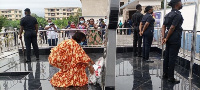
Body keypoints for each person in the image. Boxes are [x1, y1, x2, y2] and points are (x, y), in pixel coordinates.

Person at [162, 0, 183, 83]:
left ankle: (165, 74)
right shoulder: (177, 14)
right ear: (177, 4)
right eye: (180, 2)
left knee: (167, 56)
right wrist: (166, 38)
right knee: (172, 58)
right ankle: (171, 77)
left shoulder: (168, 14)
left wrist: (164, 37)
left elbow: (163, 26)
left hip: (168, 36)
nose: (181, 4)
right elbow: (172, 27)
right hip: (174, 37)